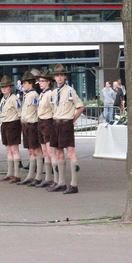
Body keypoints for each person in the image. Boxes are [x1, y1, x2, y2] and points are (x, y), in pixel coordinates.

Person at [50, 64, 85, 194]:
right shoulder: (53, 92)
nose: (59, 77)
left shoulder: (70, 90)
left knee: (70, 152)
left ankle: (74, 184)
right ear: (54, 77)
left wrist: (72, 120)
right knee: (58, 152)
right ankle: (61, 182)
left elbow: (80, 107)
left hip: (65, 123)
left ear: (65, 76)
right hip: (56, 122)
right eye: (57, 75)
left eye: (61, 75)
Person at [18, 71, 42, 186]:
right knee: (30, 150)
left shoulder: (34, 95)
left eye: (24, 83)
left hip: (32, 124)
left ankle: (37, 176)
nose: (23, 85)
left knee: (36, 150)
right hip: (26, 124)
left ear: (30, 83)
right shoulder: (27, 94)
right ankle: (31, 175)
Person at [0, 76, 22, 183]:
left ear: (10, 87)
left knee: (14, 149)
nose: (4, 89)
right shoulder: (4, 99)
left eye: (6, 87)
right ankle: (10, 173)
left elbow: (20, 113)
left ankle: (17, 174)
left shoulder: (14, 99)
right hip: (5, 124)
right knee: (8, 149)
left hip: (13, 124)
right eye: (2, 87)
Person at [35, 70, 56, 188]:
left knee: (50, 151)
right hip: (41, 122)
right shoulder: (43, 94)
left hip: (48, 122)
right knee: (45, 152)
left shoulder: (50, 94)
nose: (40, 83)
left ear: (48, 82)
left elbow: (54, 109)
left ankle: (56, 179)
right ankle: (48, 177)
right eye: (39, 81)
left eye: (42, 81)